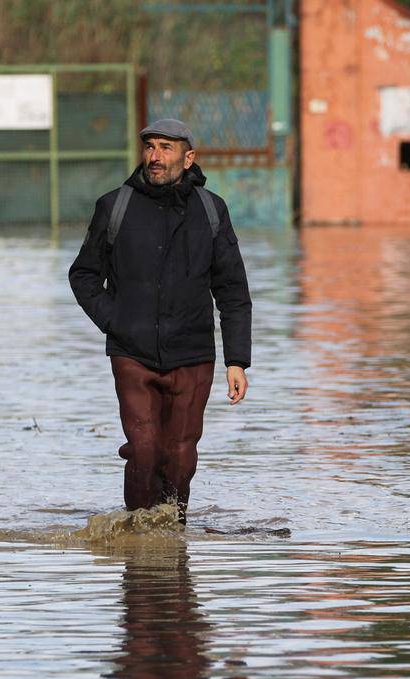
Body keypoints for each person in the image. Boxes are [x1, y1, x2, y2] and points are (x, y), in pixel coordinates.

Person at [69, 118, 252, 523]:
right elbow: (82, 275)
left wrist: (237, 360)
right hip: (131, 353)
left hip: (192, 353)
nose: (155, 156)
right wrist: (115, 320)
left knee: (180, 455)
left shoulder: (211, 210)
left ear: (188, 158)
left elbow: (233, 290)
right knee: (145, 449)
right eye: (150, 146)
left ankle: (171, 533)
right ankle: (138, 534)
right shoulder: (114, 206)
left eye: (166, 148)